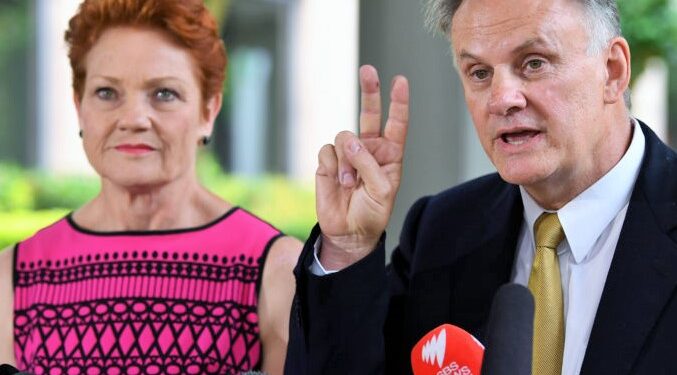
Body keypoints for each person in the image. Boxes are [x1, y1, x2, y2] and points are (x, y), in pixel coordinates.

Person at [284, 0, 677, 374]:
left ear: (612, 70)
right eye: (479, 73)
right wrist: (349, 249)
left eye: (534, 63)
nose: (502, 100)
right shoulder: (441, 229)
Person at [0, 0, 302, 374]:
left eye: (164, 94)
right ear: (79, 108)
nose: (133, 119)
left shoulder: (278, 270)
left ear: (208, 111)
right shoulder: (13, 278)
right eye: (107, 93)